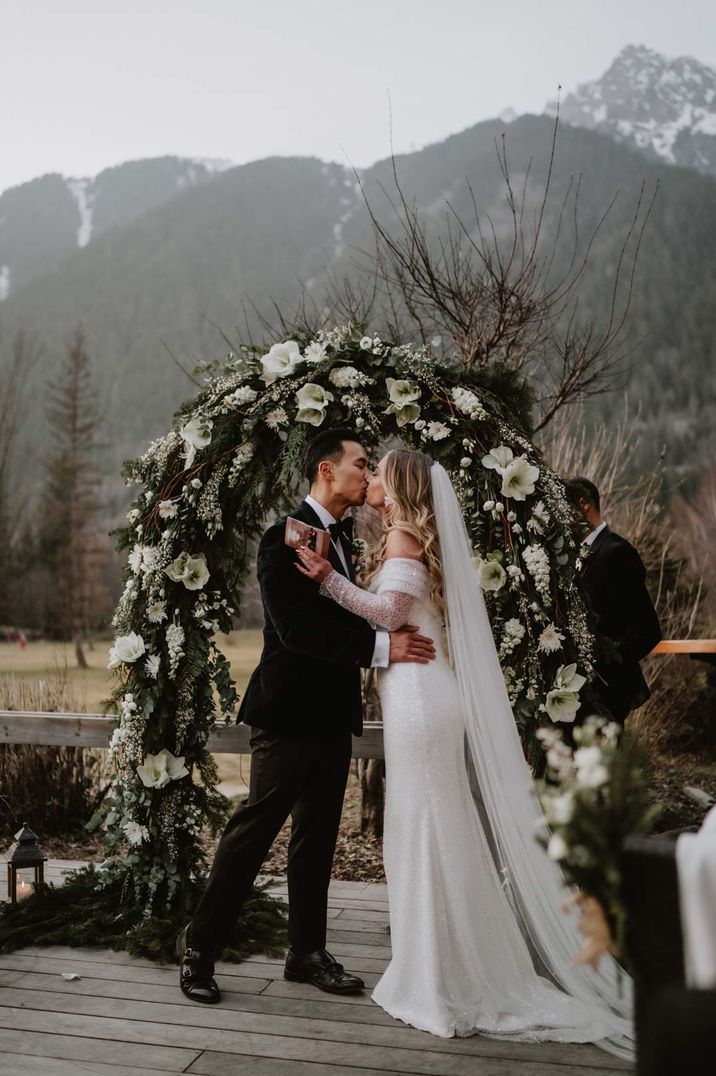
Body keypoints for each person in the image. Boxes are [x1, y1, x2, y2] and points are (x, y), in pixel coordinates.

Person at [296, 449, 634, 1060]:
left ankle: (438, 979)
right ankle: (442, 964)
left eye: (377, 471)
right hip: (421, 698)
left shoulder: (402, 538)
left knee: (425, 828)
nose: (369, 478)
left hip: (421, 702)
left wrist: (327, 580)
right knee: (431, 827)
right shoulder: (406, 538)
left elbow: (391, 614)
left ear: (396, 486)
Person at [177, 428, 436, 1004]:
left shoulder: (345, 539)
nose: (369, 476)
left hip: (332, 715)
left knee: (316, 840)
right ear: (326, 469)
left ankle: (306, 952)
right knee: (253, 832)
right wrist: (381, 649)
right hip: (288, 712)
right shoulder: (281, 539)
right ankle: (199, 949)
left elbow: (353, 610)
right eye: (361, 464)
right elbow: (295, 631)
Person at [566, 477, 661, 723]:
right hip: (578, 695)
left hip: (609, 694)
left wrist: (604, 666)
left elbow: (647, 629)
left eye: (564, 509)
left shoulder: (617, 553)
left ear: (583, 505)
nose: (561, 518)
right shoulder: (572, 554)